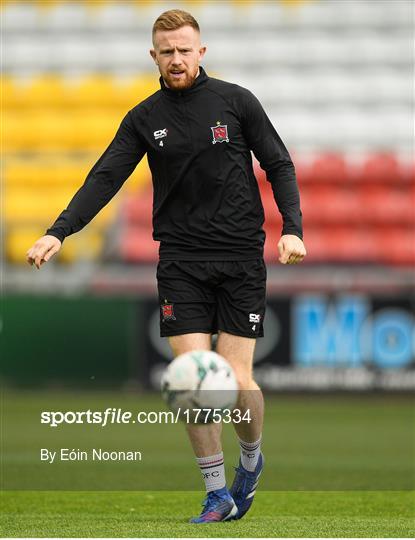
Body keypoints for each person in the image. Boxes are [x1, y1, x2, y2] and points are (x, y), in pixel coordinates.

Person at [26, 9, 306, 523]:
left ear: (201, 52)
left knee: (238, 380)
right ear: (153, 56)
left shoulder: (236, 102)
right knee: (195, 379)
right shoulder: (142, 117)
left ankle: (250, 460)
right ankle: (217, 491)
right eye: (167, 51)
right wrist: (57, 230)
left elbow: (279, 162)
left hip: (241, 256)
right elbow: (104, 177)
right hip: (179, 260)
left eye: (185, 49)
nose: (177, 59)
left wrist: (292, 227)